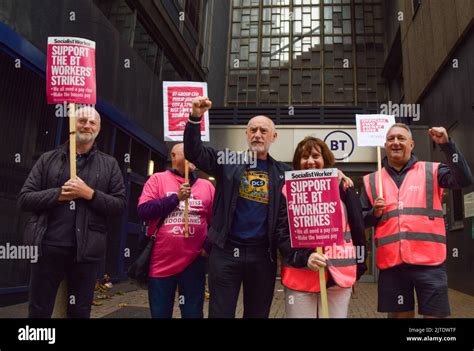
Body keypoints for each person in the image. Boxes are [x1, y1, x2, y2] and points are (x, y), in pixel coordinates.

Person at [184, 96, 310, 318]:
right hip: (225, 254)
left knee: (257, 314)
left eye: (263, 130)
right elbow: (194, 153)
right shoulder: (227, 161)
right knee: (220, 314)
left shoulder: (283, 173)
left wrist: (336, 174)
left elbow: (311, 180)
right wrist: (195, 117)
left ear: (274, 136)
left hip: (263, 257)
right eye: (253, 130)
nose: (257, 134)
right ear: (246, 134)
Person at [18, 106, 126, 318]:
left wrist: (89, 194)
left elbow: (119, 206)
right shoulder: (48, 159)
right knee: (39, 309)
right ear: (72, 125)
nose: (86, 125)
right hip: (47, 247)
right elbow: (25, 199)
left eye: (92, 122)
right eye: (82, 120)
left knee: (79, 311)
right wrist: (60, 195)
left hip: (86, 252)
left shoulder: (109, 164)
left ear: (99, 128)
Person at [360, 123, 472, 318]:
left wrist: (447, 144)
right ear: (385, 145)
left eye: (401, 138)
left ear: (411, 145)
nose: (396, 142)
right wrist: (373, 214)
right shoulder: (371, 181)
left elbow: (464, 179)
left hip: (430, 264)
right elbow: (360, 220)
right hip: (392, 266)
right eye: (391, 139)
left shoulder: (433, 171)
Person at [282, 136, 367, 318]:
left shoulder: (343, 187)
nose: (310, 161)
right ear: (298, 162)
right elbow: (281, 233)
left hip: (339, 275)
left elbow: (358, 229)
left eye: (315, 156)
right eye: (305, 157)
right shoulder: (286, 190)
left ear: (325, 160)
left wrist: (359, 268)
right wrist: (305, 257)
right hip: (300, 274)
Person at [137, 143, 214, 318]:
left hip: (194, 261)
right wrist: (176, 198)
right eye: (187, 153)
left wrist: (207, 247)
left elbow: (217, 222)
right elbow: (143, 211)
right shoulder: (157, 179)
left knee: (193, 313)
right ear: (173, 156)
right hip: (161, 262)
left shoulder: (206, 186)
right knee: (160, 313)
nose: (192, 156)